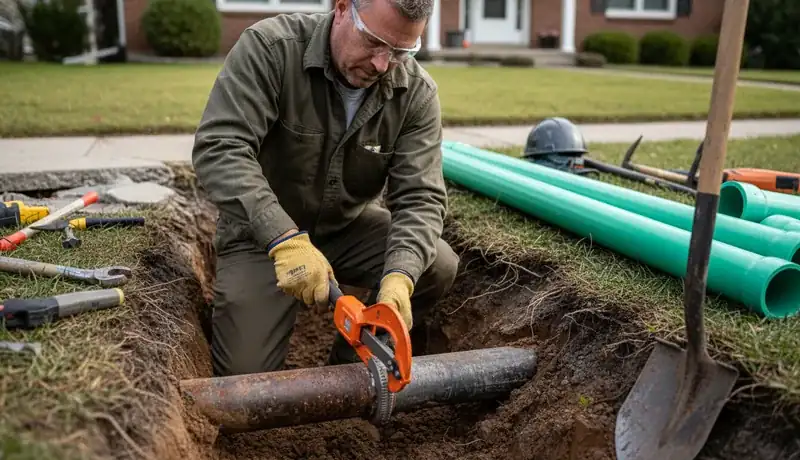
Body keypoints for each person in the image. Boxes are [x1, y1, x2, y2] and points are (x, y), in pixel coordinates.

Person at [191, 0, 460, 377]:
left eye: (401, 51)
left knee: (436, 264)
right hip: (262, 239)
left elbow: (422, 197)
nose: (382, 64)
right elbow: (220, 148)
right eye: (374, 42)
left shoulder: (415, 92)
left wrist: (400, 276)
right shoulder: (270, 49)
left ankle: (353, 366)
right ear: (342, 7)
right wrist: (284, 238)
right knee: (245, 376)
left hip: (345, 229)